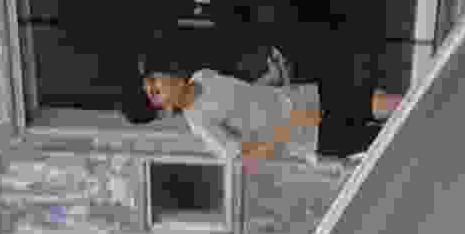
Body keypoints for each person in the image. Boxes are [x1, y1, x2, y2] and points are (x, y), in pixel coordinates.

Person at [136, 62, 406, 160]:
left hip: (308, 96)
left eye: (155, 79)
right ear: (166, 109)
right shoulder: (201, 124)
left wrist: (272, 77)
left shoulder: (202, 75)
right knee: (390, 139)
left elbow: (246, 96)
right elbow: (246, 154)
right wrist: (289, 130)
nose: (161, 83)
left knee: (386, 102)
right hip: (312, 134)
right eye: (155, 92)